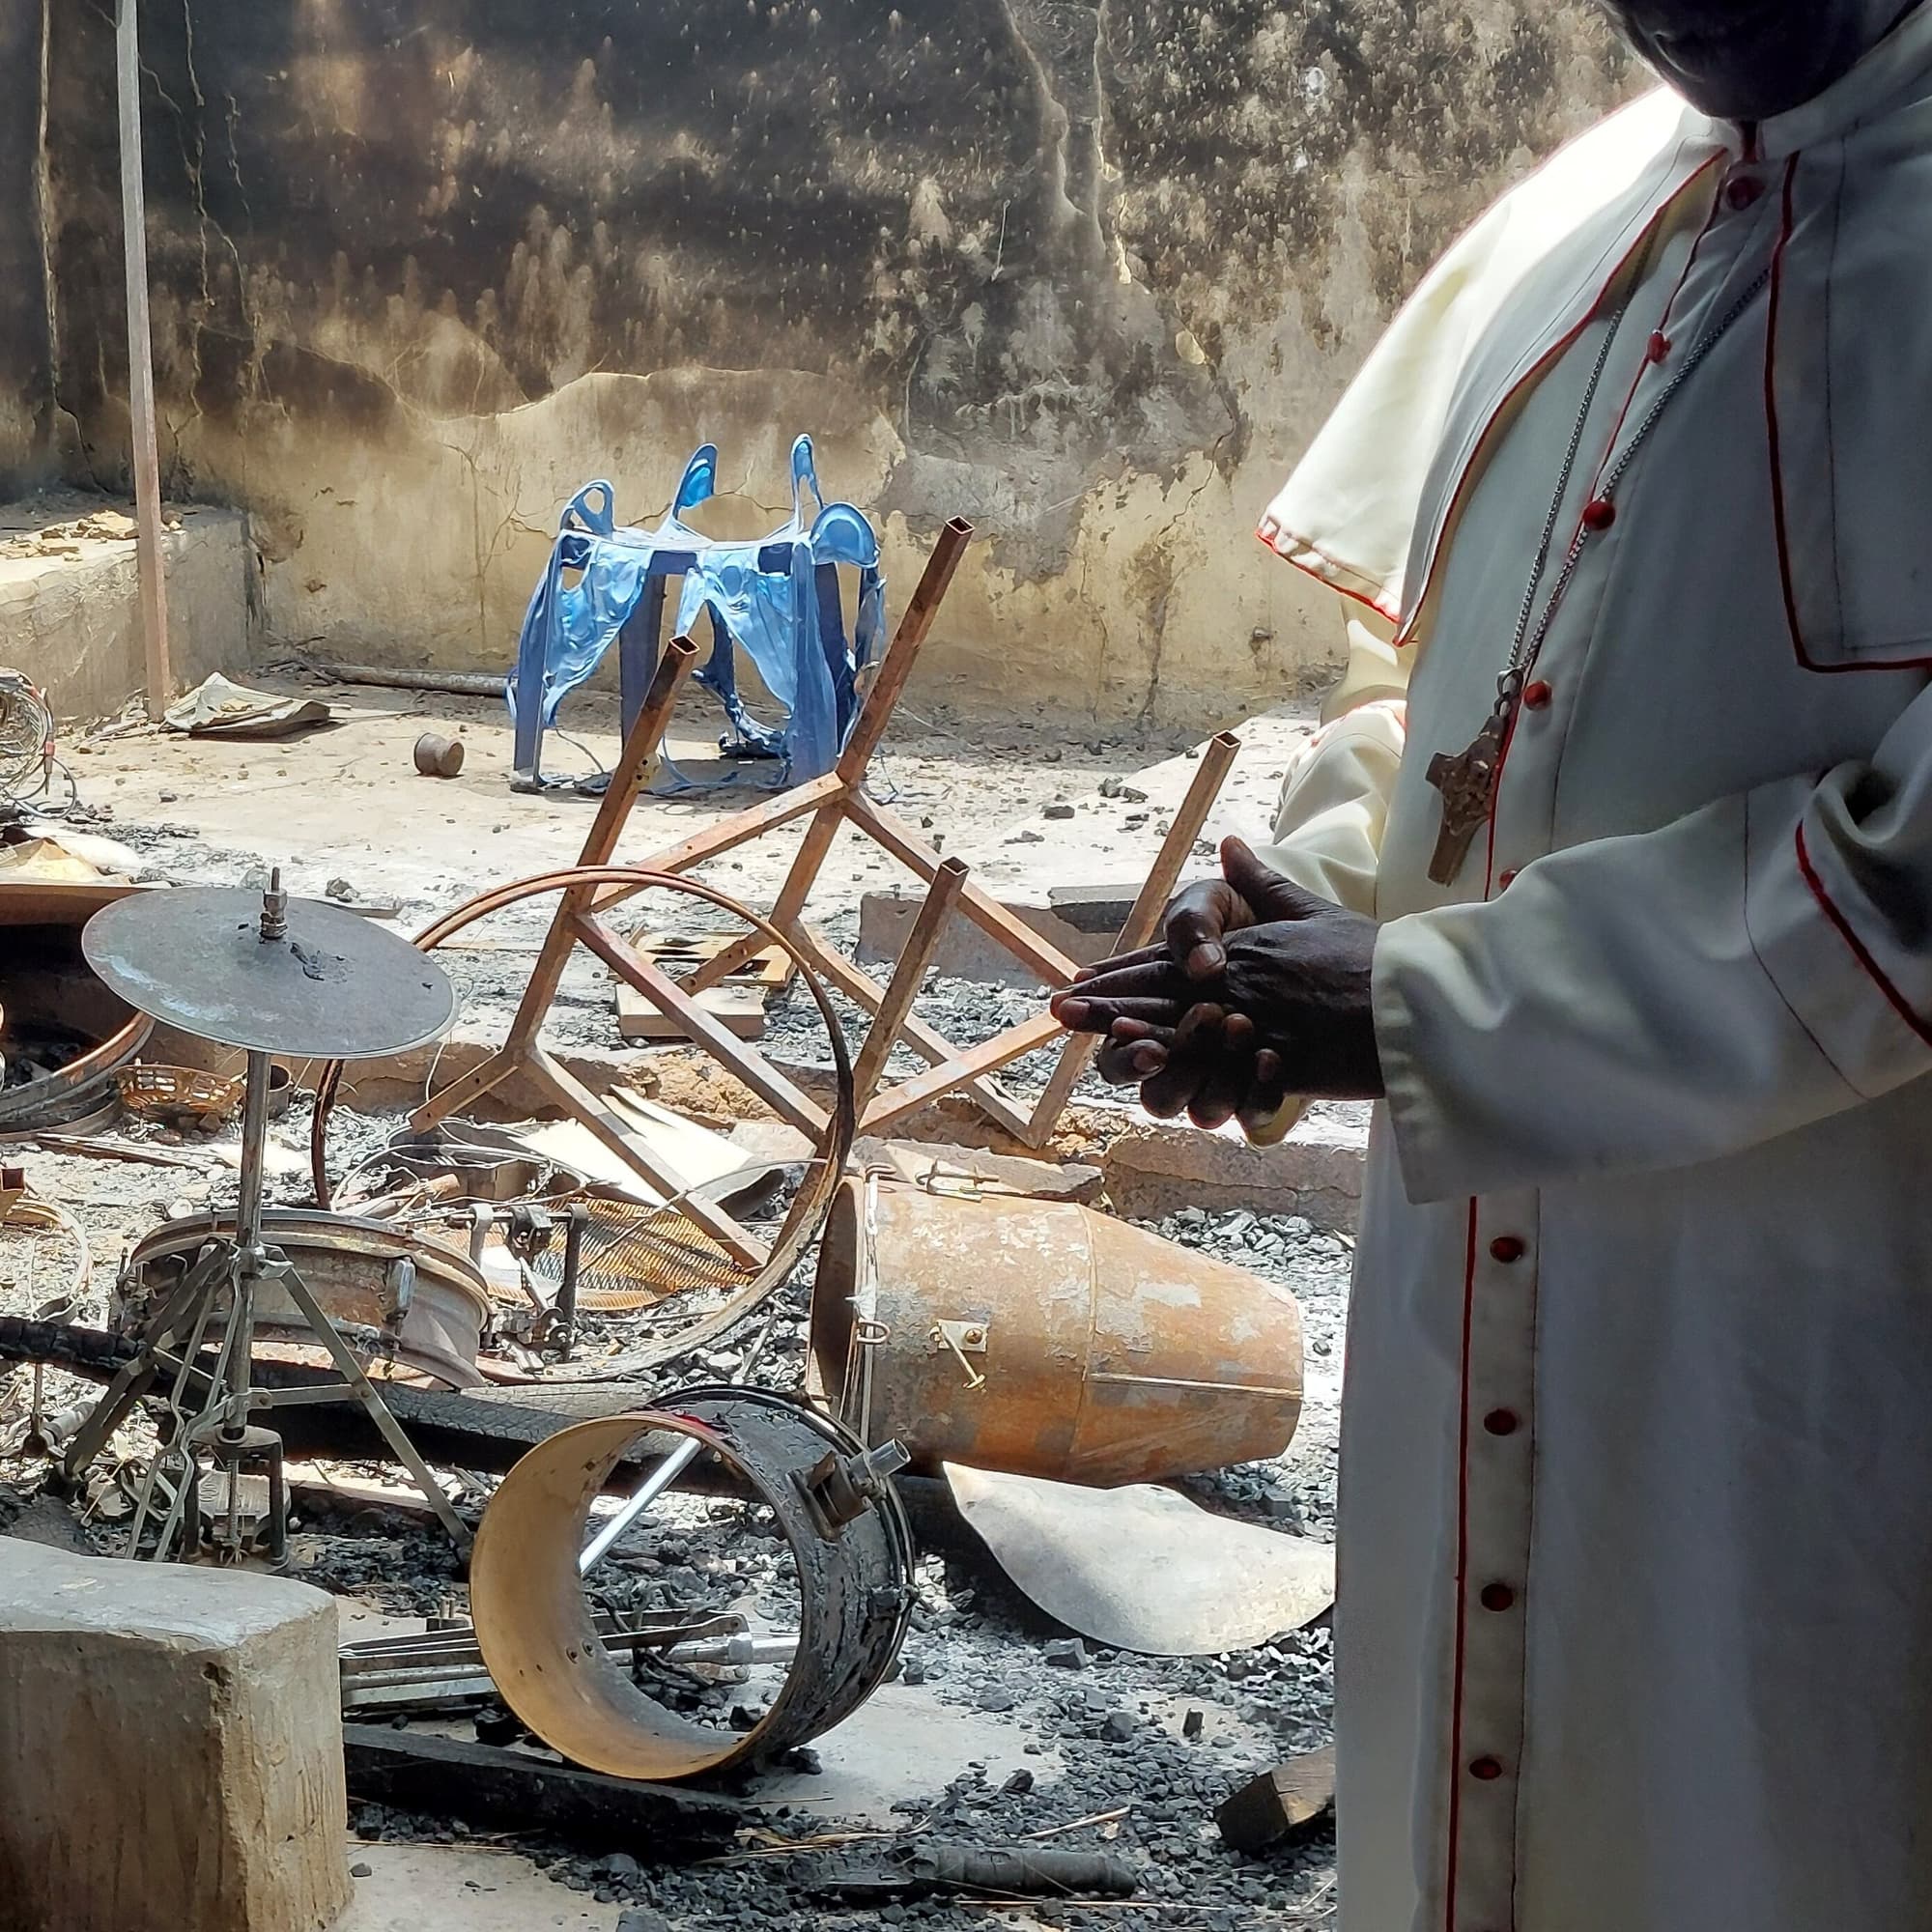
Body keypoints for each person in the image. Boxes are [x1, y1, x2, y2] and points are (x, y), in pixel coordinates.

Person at [1052, 5, 1932, 1928]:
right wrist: (1290, 908)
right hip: (1475, 1312)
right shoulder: (1583, 215)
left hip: (1802, 1356)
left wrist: (1411, 1003)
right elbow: (1451, 698)